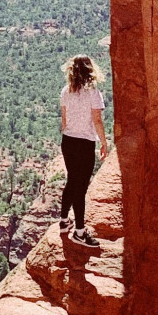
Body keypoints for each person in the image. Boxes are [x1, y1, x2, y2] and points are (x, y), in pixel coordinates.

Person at [59, 54, 108, 248]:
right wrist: (104, 142)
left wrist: (71, 132)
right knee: (80, 187)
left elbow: (64, 121)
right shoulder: (93, 92)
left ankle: (64, 221)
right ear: (91, 70)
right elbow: (97, 120)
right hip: (84, 143)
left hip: (68, 141)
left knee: (72, 181)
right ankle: (79, 232)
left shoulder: (66, 91)